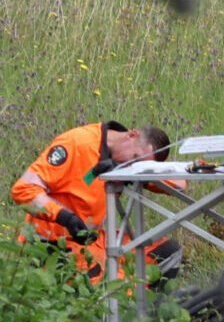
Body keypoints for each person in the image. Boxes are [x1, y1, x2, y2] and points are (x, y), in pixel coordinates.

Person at [12, 120, 179, 280]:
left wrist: (138, 173)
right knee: (107, 289)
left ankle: (149, 305)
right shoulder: (77, 144)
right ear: (131, 135)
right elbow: (23, 189)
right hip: (54, 244)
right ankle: (135, 303)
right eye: (135, 158)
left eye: (139, 164)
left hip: (94, 241)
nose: (132, 165)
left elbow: (180, 184)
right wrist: (64, 217)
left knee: (168, 253)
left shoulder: (126, 165)